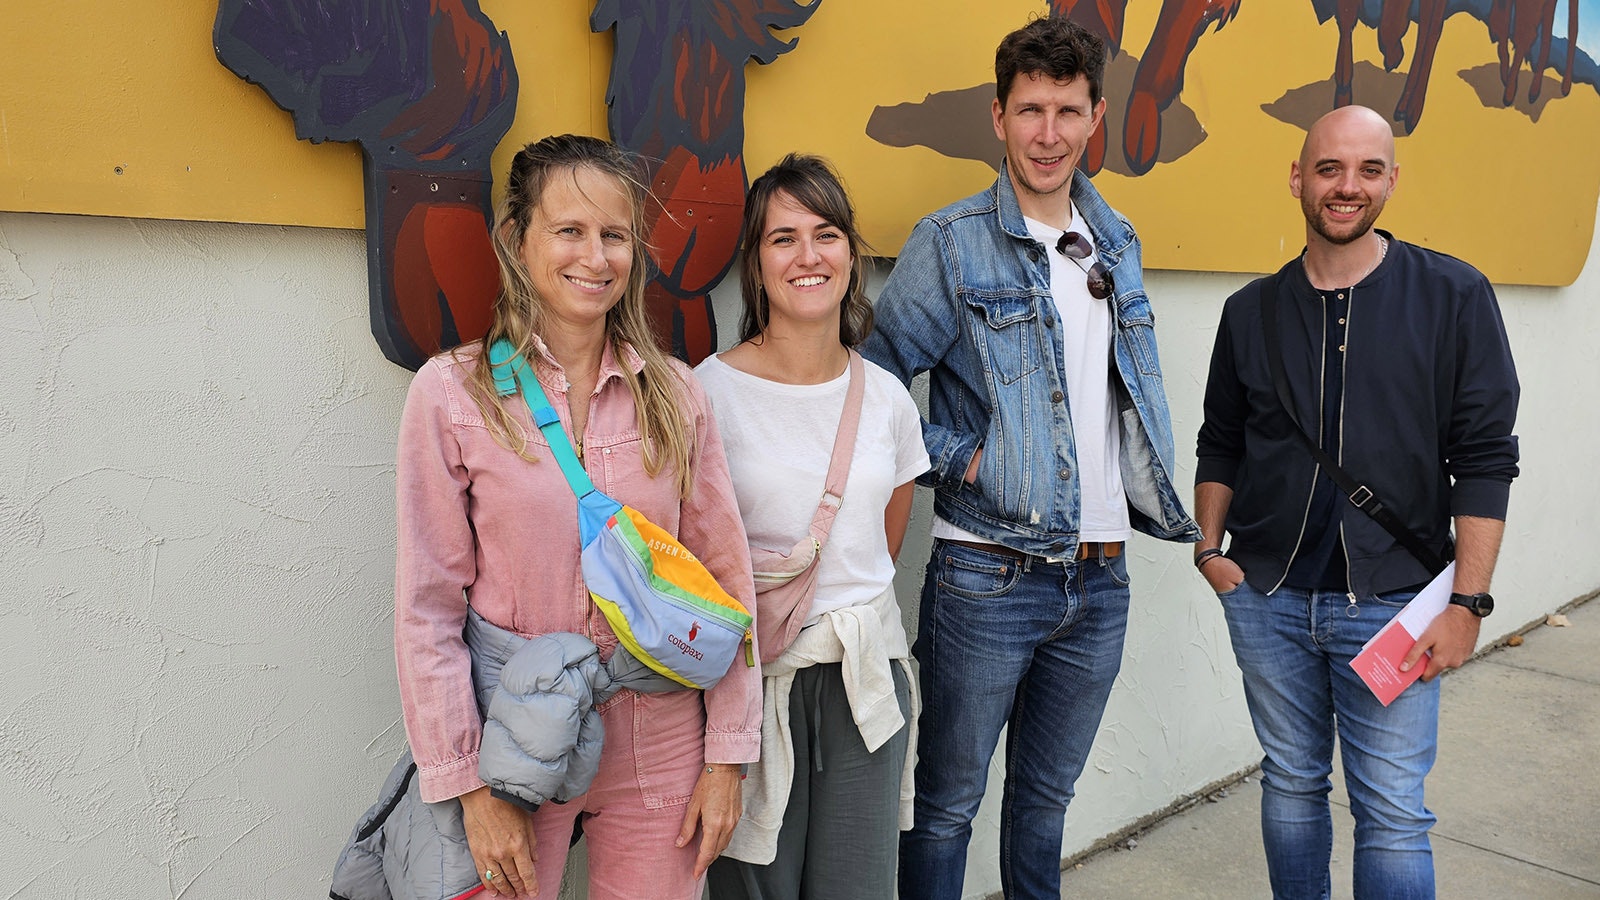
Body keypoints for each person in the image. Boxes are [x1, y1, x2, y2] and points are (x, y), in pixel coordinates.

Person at [860, 16, 1200, 900]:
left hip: (1102, 575)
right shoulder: (953, 242)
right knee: (946, 805)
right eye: (1030, 110)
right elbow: (872, 387)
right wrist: (959, 459)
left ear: (1095, 118)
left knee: (1045, 803)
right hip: (987, 576)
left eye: (1068, 111)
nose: (1048, 133)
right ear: (999, 117)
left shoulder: (1115, 239)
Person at [392, 133, 760, 900]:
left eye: (614, 235)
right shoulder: (454, 397)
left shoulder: (678, 394)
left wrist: (727, 759)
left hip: (659, 736)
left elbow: (725, 581)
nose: (595, 257)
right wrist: (466, 786)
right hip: (517, 739)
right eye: (570, 231)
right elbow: (426, 610)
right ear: (517, 241)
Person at [1193, 105, 1520, 899]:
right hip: (1268, 598)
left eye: (1368, 170)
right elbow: (1221, 441)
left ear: (1392, 180)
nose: (1348, 187)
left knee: (1393, 814)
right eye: (1330, 168)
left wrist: (1468, 604)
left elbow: (1484, 459)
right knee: (1292, 785)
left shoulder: (1454, 295)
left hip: (1395, 605)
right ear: (1299, 177)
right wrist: (1210, 553)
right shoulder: (1249, 312)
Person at [697, 154, 928, 900]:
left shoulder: (888, 398)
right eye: (782, 237)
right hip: (752, 680)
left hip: (864, 675)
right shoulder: (708, 392)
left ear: (850, 253)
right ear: (755, 262)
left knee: (857, 887)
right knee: (751, 885)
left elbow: (882, 544)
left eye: (824, 234)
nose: (807, 256)